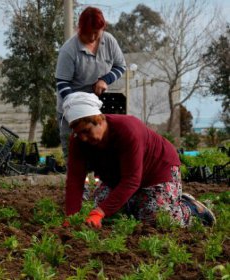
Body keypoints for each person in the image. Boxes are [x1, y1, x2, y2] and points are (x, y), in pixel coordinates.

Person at [62, 92, 216, 228]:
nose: (83, 138)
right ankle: (139, 202)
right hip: (120, 177)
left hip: (157, 170)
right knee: (110, 216)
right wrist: (71, 217)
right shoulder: (78, 141)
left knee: (154, 219)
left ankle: (192, 209)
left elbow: (132, 180)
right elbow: (75, 180)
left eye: (86, 131)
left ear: (99, 120)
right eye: (78, 133)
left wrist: (100, 212)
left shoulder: (127, 129)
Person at [55, 6, 126, 159]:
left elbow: (121, 66)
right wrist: (78, 104)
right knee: (75, 153)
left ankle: (103, 182)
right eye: (88, 33)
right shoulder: (68, 50)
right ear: (79, 29)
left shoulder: (109, 41)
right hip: (71, 108)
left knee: (103, 149)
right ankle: (79, 182)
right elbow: (62, 82)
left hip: (98, 105)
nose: (93, 37)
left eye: (97, 32)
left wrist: (105, 80)